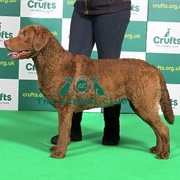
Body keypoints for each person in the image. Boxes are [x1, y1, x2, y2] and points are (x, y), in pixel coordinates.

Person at [51, 0, 131, 145]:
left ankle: (111, 131)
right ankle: (72, 130)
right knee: (74, 68)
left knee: (109, 71)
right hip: (83, 9)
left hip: (112, 9)